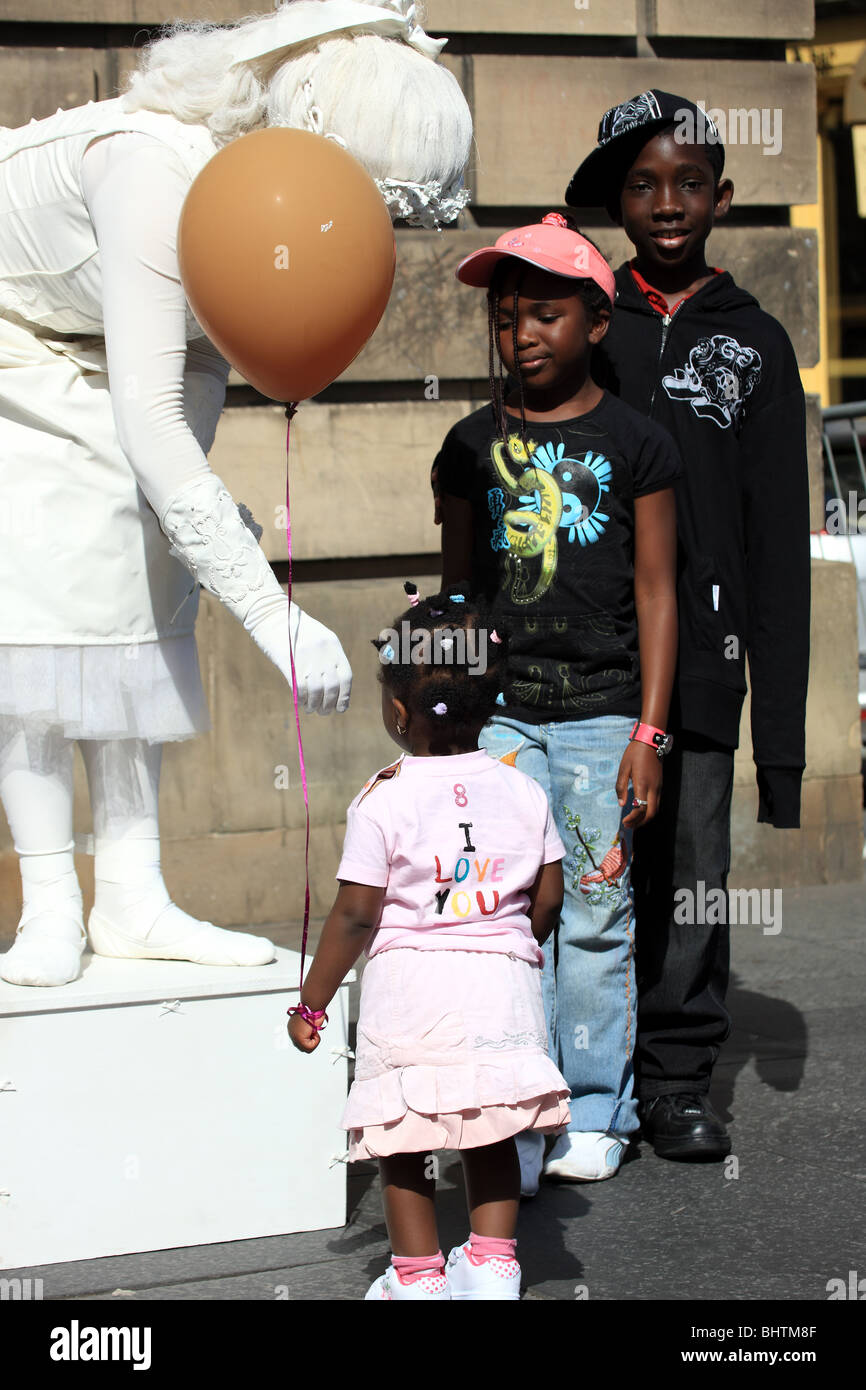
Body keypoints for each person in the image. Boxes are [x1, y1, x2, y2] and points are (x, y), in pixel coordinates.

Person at [0, 0, 472, 987]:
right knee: (37, 616)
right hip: (13, 332)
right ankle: (49, 897)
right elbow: (153, 427)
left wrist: (202, 530)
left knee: (143, 582)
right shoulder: (150, 171)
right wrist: (276, 615)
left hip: (111, 355)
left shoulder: (258, 207)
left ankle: (131, 892)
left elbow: (197, 382)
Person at [564, 90, 810, 1159]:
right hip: (588, 654)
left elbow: (776, 550)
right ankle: (577, 1078)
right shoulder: (580, 322)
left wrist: (784, 753)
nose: (665, 203)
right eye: (641, 183)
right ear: (616, 198)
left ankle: (672, 1079)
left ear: (721, 193)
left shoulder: (753, 345)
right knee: (584, 866)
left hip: (702, 659)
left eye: (687, 181)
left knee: (691, 872)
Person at [434, 214, 680, 1189]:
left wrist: (649, 732)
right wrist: (441, 723)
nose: (520, 334)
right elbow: (454, 593)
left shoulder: (637, 444)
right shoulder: (467, 446)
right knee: (496, 913)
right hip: (497, 718)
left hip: (599, 715)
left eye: (542, 313)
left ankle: (590, 1107)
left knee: (590, 908)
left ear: (594, 320)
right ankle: (514, 1114)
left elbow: (657, 592)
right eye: (503, 319)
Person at [288, 586, 570, 1301]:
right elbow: (549, 898)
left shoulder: (382, 799)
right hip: (501, 989)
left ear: (396, 709)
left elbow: (355, 914)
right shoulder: (524, 791)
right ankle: (495, 1264)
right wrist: (506, 938)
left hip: (410, 993)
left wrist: (313, 1005)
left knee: (402, 1138)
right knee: (492, 1124)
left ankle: (417, 1279)